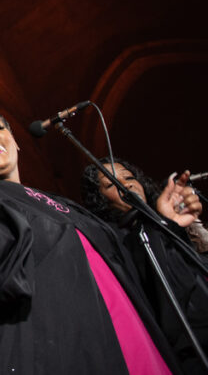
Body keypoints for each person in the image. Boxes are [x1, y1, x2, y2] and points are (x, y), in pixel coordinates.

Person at [0, 97, 180, 374]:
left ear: (15, 141)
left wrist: (164, 222)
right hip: (49, 350)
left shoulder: (62, 205)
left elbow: (126, 263)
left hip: (123, 339)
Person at [82, 157, 208, 373]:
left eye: (130, 177)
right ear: (100, 199)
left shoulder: (165, 222)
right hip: (190, 349)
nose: (127, 184)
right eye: (112, 184)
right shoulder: (118, 239)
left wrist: (171, 224)